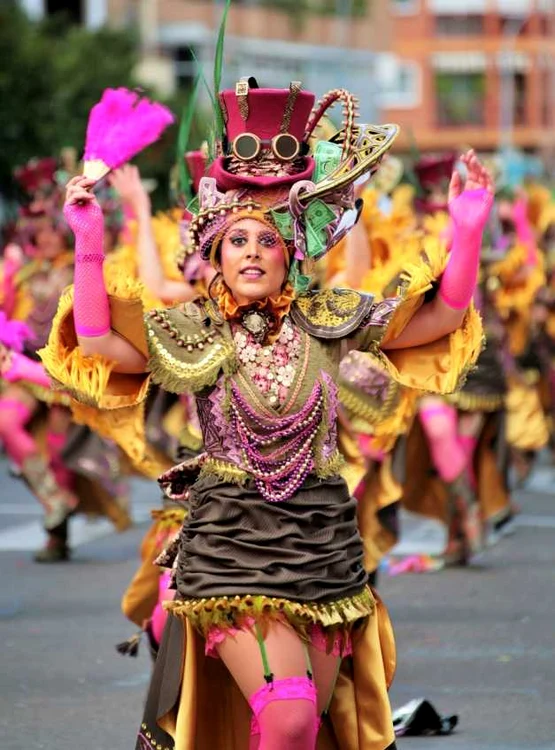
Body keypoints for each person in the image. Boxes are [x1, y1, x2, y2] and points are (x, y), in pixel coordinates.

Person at [43, 80, 491, 749]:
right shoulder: (192, 328)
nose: (251, 252)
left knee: (303, 730)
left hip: (326, 551)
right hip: (233, 547)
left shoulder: (328, 319)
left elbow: (440, 317)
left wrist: (467, 229)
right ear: (215, 255)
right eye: (237, 240)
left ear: (292, 254)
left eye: (268, 241)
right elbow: (101, 341)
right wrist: (86, 240)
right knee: (286, 713)